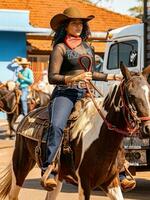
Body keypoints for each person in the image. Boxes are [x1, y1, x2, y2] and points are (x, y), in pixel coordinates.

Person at [41, 7, 122, 190]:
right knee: (56, 126)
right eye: (74, 23)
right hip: (65, 94)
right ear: (66, 26)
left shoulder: (88, 47)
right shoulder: (60, 48)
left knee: (112, 121)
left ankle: (121, 168)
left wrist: (112, 77)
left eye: (81, 23)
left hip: (86, 94)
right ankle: (49, 169)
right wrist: (74, 78)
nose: (78, 26)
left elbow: (91, 74)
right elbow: (52, 78)